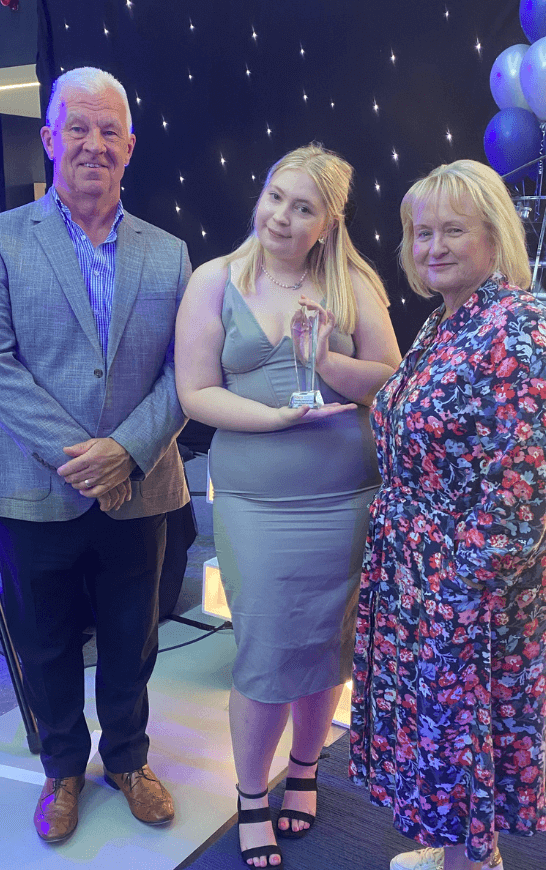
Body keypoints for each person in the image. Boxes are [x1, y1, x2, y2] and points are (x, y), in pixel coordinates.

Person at [0, 66, 191, 844]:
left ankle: (127, 758)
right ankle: (63, 766)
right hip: (33, 487)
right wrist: (85, 458)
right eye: (77, 128)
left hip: (142, 487)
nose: (94, 144)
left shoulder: (170, 253)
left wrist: (125, 451)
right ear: (50, 139)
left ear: (131, 146)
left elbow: (184, 372)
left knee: (135, 635)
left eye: (109, 130)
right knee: (45, 639)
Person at [175, 143, 401, 868]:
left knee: (327, 644)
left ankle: (303, 770)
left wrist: (329, 362)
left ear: (328, 223)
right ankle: (250, 794)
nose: (281, 215)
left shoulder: (354, 284)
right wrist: (271, 419)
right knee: (267, 648)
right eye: (276, 196)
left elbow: (391, 380)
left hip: (345, 497)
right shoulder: (215, 279)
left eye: (303, 207)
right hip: (255, 500)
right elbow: (195, 392)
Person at [349, 160, 546, 870]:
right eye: (421, 233)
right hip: (424, 569)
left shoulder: (520, 329)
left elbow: (520, 493)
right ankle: (459, 853)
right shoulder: (447, 321)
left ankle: (474, 862)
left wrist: (460, 584)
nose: (433, 246)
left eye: (453, 230)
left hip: (476, 581)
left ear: (493, 235)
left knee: (462, 732)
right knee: (438, 734)